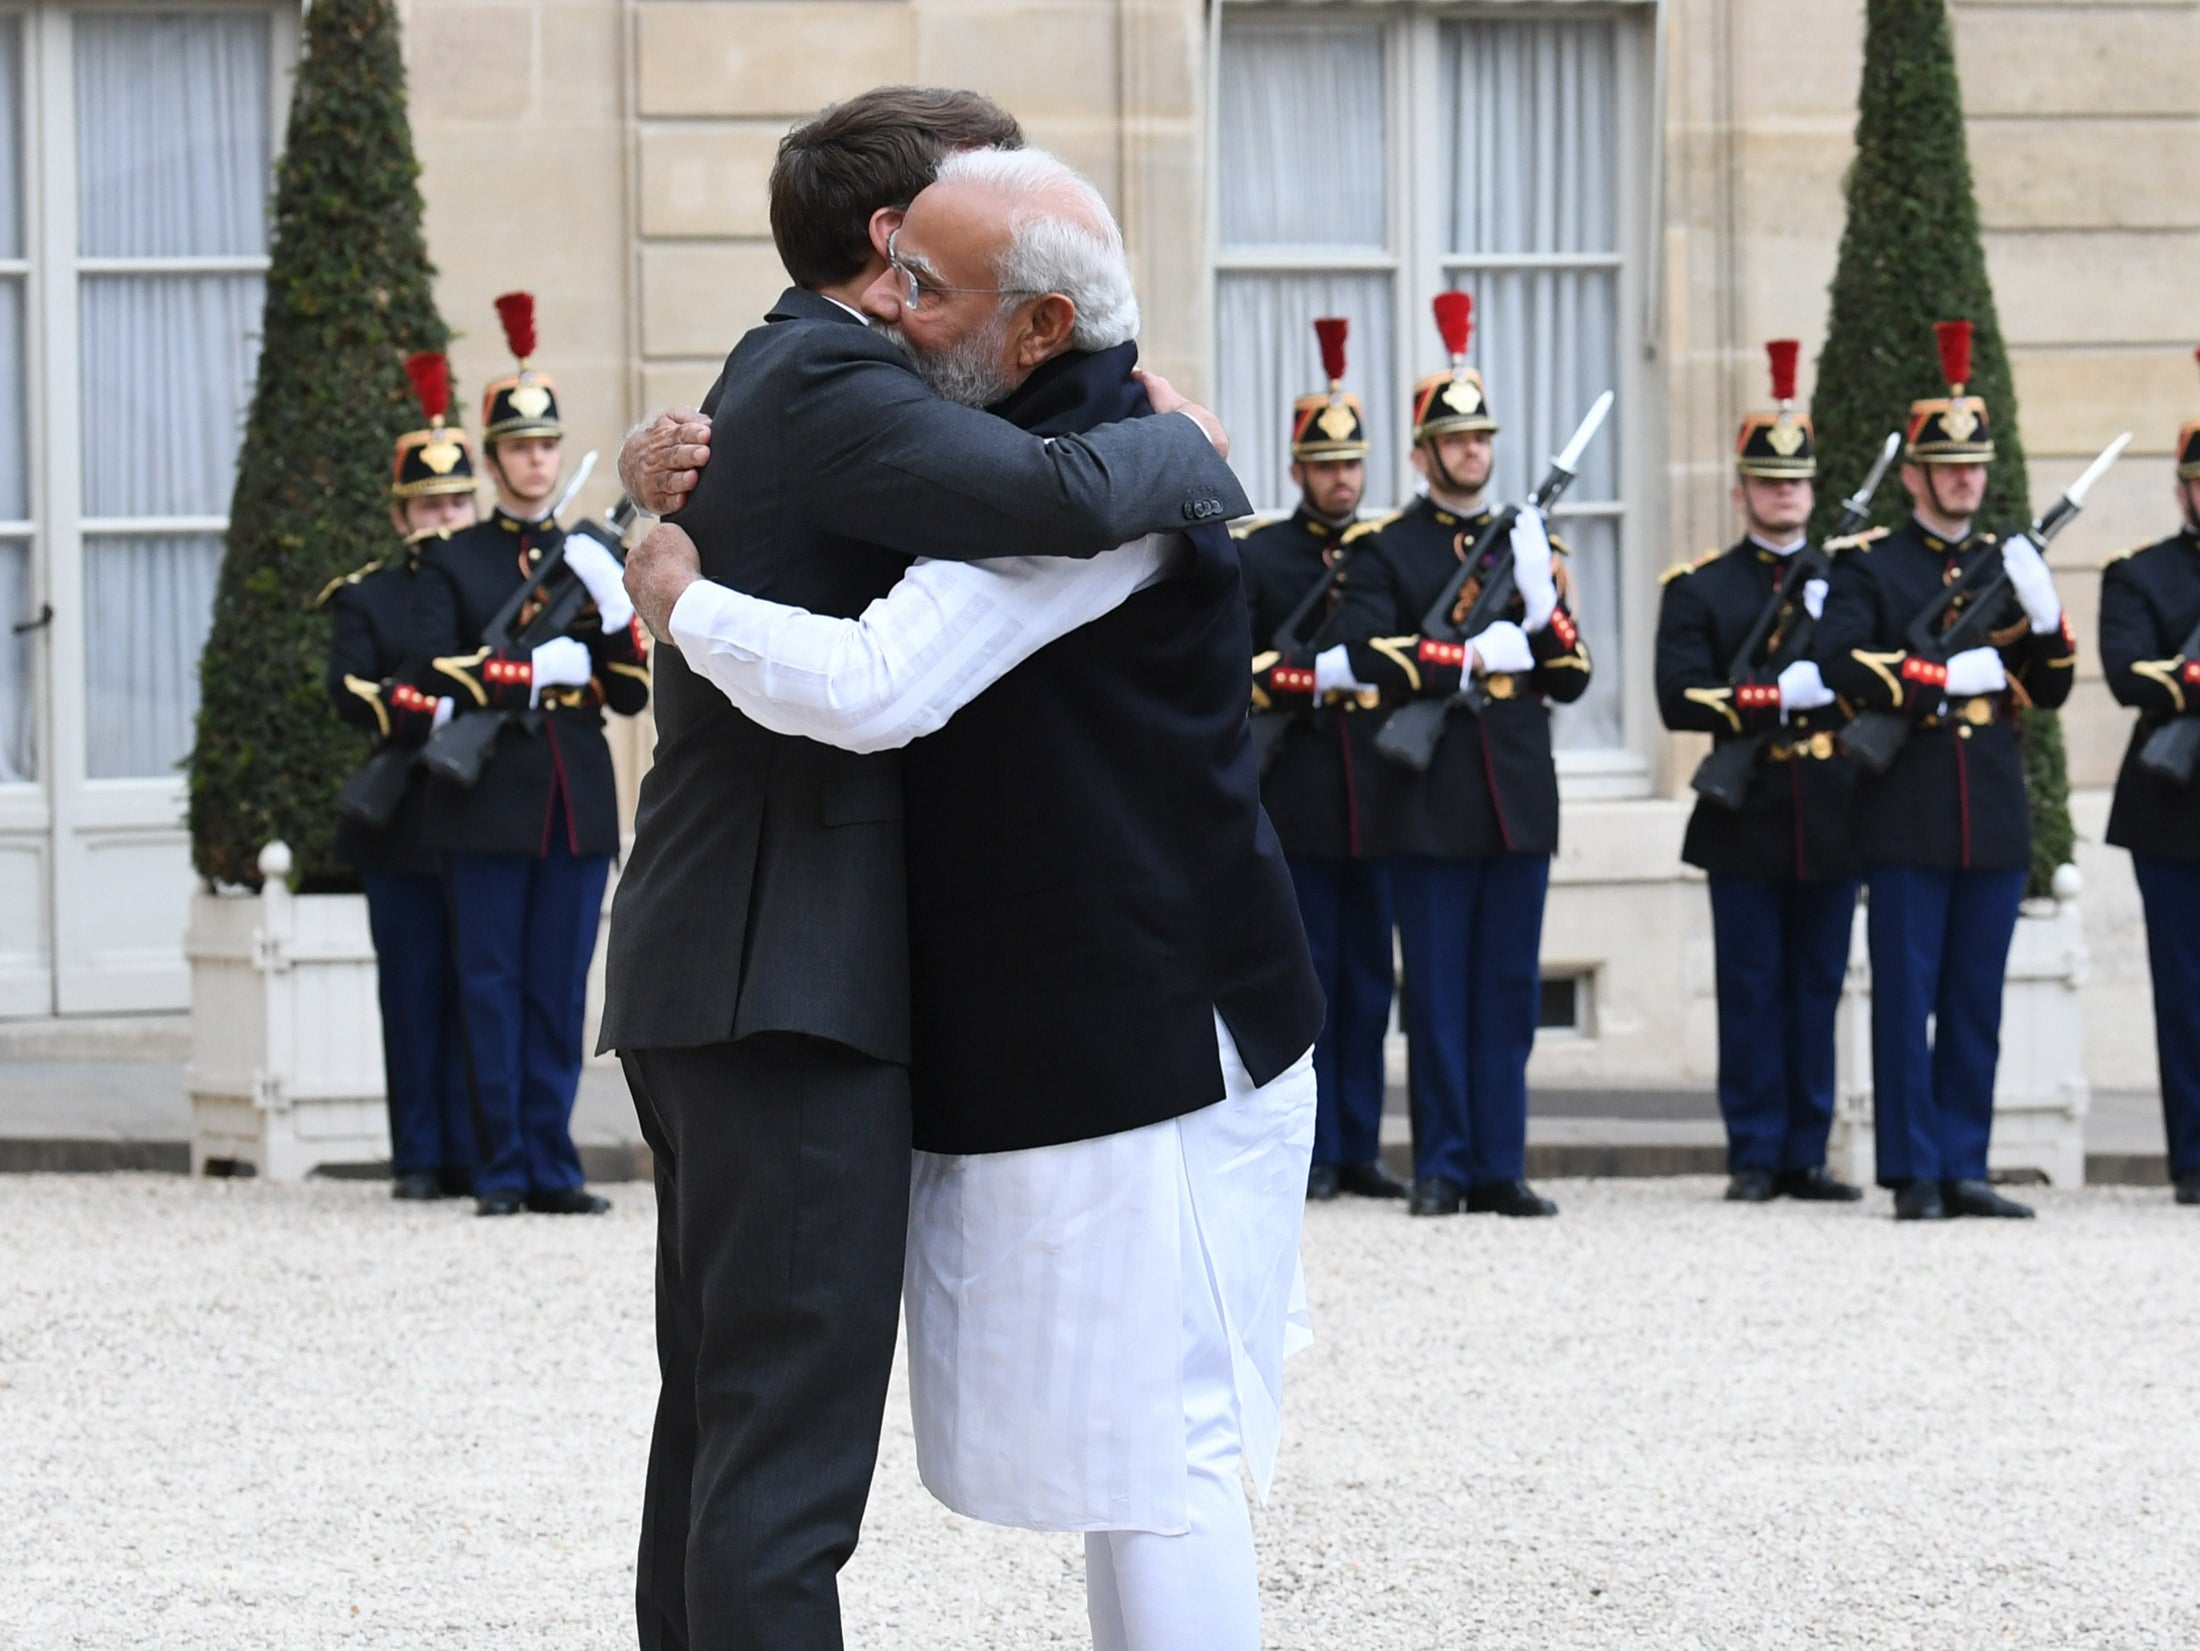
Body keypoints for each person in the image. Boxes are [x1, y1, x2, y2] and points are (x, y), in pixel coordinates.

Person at [627, 143, 1321, 1651]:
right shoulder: (1027, 436)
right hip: (1105, 1018)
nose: (894, 311)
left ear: (1040, 328)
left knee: (1171, 1444)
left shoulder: (1083, 481)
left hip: (1170, 1022)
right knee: (1137, 1448)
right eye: (892, 267)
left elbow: (879, 683)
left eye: (931, 288)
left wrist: (682, 601)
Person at [1315, 293, 1592, 1219]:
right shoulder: (1387, 549)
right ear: (1423, 453)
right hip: (1428, 793)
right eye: (1456, 440)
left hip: (1515, 792)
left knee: (1507, 992)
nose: (1474, 451)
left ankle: (1498, 1164)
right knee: (1434, 991)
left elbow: (1575, 672)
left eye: (1483, 438)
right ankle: (1441, 1162)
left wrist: (1538, 605)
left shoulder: (1533, 545)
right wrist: (1468, 654)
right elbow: (1359, 654)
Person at [1813, 320, 2077, 1221]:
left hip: (1992, 807)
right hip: (1908, 805)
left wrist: (2044, 621)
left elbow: (2055, 685)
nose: (1966, 477)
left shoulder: (2007, 563)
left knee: (1974, 997)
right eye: (1947, 464)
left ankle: (1965, 1161)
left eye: (1976, 463)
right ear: (1917, 475)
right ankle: (1913, 1170)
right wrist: (1936, 676)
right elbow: (1839, 659)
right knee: (1906, 998)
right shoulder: (1874, 565)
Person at [414, 296, 650, 1219]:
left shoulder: (586, 560)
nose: (536, 460)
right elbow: (435, 672)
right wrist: (532, 670)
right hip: (485, 799)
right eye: (518, 447)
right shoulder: (456, 560)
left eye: (547, 445)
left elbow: (628, 686)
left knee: (558, 989)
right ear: (492, 455)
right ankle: (499, 1164)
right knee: (490, 987)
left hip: (569, 800)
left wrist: (621, 608)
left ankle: (552, 1161)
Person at [1653, 341, 1864, 1204]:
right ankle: (1753, 1148)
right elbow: (1681, 698)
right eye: (1769, 483)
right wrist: (1773, 696)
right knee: (1749, 989)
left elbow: (1874, 676)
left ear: (1812, 490)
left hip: (1830, 806)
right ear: (1742, 491)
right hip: (1745, 809)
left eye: (1797, 483)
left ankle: (1806, 1151)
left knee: (1818, 986)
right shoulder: (1702, 588)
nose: (1785, 494)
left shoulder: (1847, 581)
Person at [1237, 318, 1405, 1203]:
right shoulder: (1263, 554)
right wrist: (1299, 677)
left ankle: (1363, 1143)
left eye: (1354, 464)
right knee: (1306, 983)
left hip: (1374, 792)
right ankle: (1309, 1151)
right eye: (1326, 464)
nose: (1343, 478)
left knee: (1370, 982)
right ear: (1300, 468)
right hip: (1295, 793)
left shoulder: (1388, 553)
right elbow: (1235, 667)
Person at [319, 351, 478, 1201]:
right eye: (429, 504)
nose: (444, 518)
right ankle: (421, 1154)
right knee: (413, 994)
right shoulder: (370, 597)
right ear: (400, 513)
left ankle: (483, 1152)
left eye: (458, 501)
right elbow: (350, 688)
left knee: (483, 992)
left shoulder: (498, 584)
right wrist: (430, 710)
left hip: (483, 815)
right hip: (402, 822)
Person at [2096, 350, 2200, 1206]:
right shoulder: (2142, 573)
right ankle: (2195, 1157)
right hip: (2176, 807)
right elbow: (2134, 674)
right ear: (2183, 491)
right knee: (2186, 988)